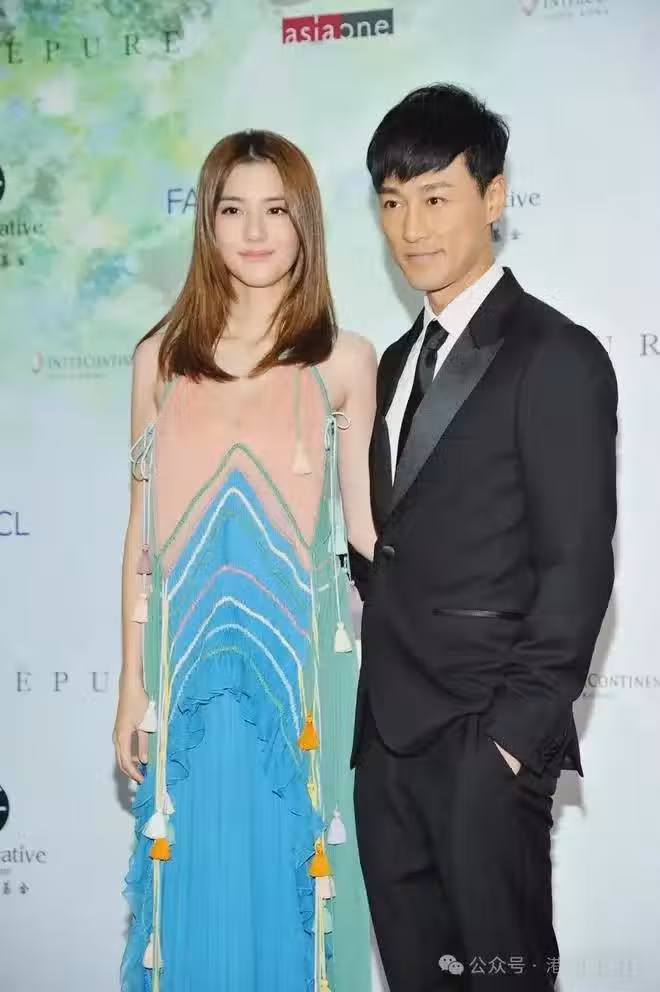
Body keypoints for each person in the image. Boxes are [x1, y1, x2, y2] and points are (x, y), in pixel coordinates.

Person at [350, 84, 618, 991]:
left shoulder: (556, 355)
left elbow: (576, 567)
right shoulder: (393, 365)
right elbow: (390, 546)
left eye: (436, 197)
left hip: (484, 748)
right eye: (393, 202)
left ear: (493, 197)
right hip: (386, 752)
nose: (411, 227)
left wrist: (508, 744)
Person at [112, 129, 376, 992]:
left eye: (275, 210)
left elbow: (367, 538)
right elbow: (140, 537)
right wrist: (131, 686)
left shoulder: (344, 361)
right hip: (184, 676)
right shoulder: (160, 360)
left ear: (305, 224)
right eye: (233, 209)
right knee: (191, 882)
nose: (254, 231)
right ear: (208, 223)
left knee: (300, 880)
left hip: (305, 683)